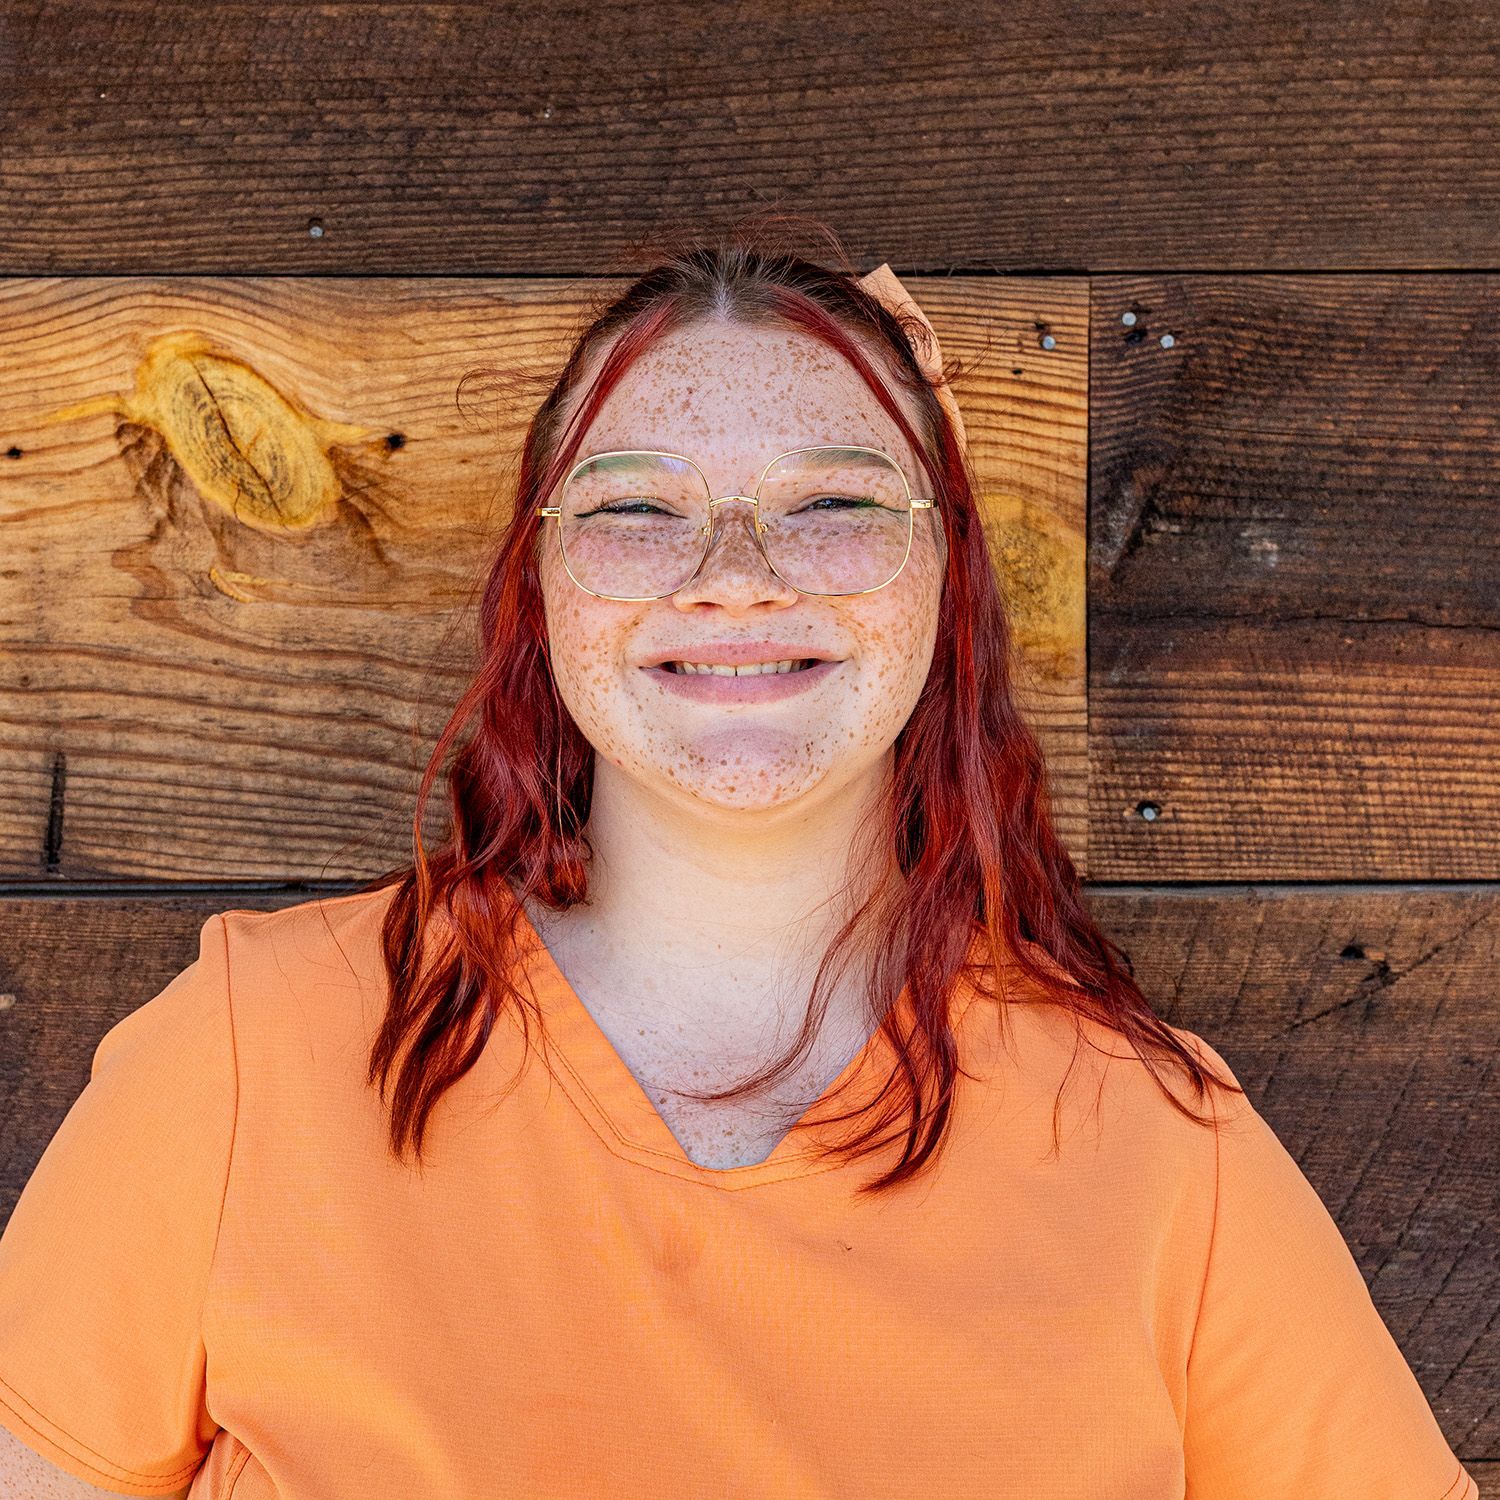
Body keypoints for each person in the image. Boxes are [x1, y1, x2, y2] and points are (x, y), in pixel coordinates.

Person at [0, 230, 1477, 1498]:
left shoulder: (1167, 1153)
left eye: (834, 503)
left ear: (947, 576)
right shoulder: (253, 1054)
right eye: (636, 506)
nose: (736, 572)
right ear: (541, 585)